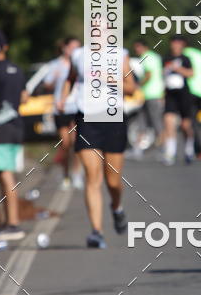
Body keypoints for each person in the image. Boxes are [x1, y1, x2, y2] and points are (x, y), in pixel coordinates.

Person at [61, 42, 136, 248]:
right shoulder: (78, 54)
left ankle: (117, 207)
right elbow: (70, 78)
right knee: (92, 176)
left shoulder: (120, 54)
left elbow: (131, 88)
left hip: (113, 118)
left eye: (100, 28)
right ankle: (97, 232)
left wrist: (108, 79)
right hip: (86, 119)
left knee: (113, 182)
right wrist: (63, 98)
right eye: (93, 27)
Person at [0, 29, 28, 241]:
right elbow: (25, 97)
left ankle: (13, 224)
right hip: (16, 126)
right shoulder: (17, 70)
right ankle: (9, 222)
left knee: (5, 175)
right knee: (7, 174)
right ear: (6, 47)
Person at [44, 36, 83, 189]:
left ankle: (77, 173)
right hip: (61, 108)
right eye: (72, 47)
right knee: (65, 144)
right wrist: (54, 78)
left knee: (76, 143)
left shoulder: (81, 62)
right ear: (64, 48)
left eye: (77, 47)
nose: (75, 51)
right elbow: (47, 85)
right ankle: (65, 175)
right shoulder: (55, 64)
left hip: (76, 108)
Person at [162, 36, 194, 165]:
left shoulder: (186, 59)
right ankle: (170, 153)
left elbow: (191, 73)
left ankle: (188, 148)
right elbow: (162, 74)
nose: (175, 46)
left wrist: (177, 69)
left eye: (178, 43)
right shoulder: (165, 58)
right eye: (173, 43)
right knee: (169, 122)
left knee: (185, 125)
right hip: (170, 94)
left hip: (183, 94)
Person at [132, 40, 165, 153]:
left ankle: (163, 149)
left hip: (151, 94)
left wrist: (137, 85)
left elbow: (148, 75)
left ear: (144, 47)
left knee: (155, 122)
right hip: (150, 94)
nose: (136, 49)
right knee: (142, 120)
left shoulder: (146, 57)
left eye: (138, 47)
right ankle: (138, 148)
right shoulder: (155, 56)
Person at [182, 38, 201, 160]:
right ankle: (197, 149)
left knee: (191, 122)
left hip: (190, 91)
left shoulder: (183, 54)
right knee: (196, 121)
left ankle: (198, 149)